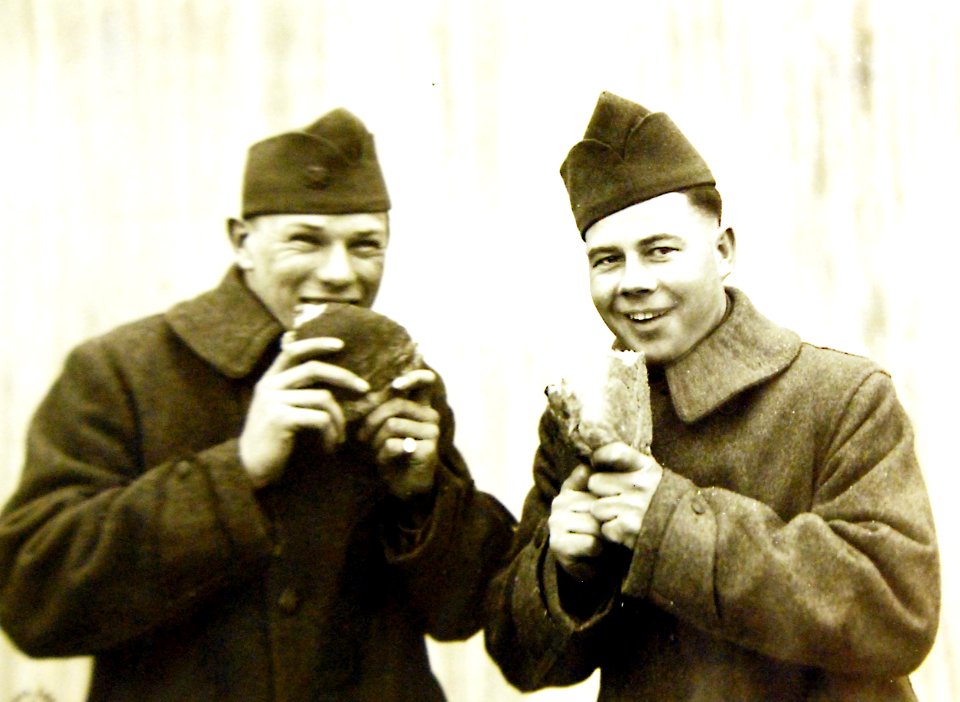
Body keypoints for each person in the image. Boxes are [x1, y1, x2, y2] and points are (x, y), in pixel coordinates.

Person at [0, 108, 515, 702]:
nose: (341, 272)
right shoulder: (121, 371)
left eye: (366, 245)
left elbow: (464, 613)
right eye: (306, 240)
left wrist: (423, 497)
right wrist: (236, 472)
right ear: (242, 242)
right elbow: (31, 598)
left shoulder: (399, 377)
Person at [484, 92, 939, 701]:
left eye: (660, 250)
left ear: (723, 252)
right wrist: (565, 572)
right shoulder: (578, 422)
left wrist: (670, 524)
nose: (634, 282)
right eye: (607, 260)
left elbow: (897, 615)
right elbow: (519, 657)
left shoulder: (844, 398)